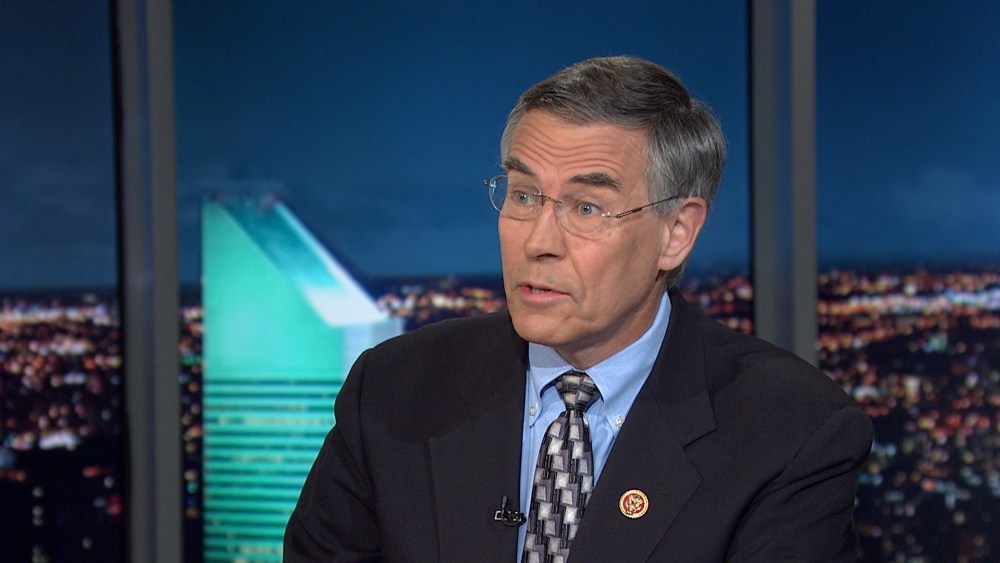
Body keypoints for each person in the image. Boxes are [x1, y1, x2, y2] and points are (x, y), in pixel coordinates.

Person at [284, 55, 873, 562]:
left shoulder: (791, 432)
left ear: (676, 233)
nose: (538, 240)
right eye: (523, 195)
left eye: (587, 208)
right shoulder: (393, 389)